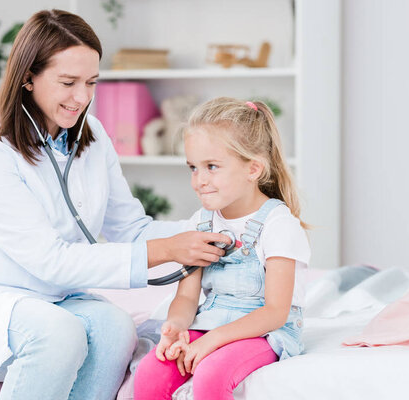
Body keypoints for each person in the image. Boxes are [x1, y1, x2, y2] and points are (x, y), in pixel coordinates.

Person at [0, 10, 231, 400]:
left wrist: (210, 229)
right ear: (28, 77)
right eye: (68, 82)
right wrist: (167, 250)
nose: (82, 97)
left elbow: (131, 228)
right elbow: (49, 260)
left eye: (91, 82)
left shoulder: (92, 135)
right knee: (58, 333)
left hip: (58, 298)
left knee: (117, 328)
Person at [133, 98, 311, 400]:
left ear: (253, 168)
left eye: (211, 167)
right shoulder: (200, 223)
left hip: (265, 332)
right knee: (151, 373)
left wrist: (211, 341)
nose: (199, 181)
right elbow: (187, 297)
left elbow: (275, 312)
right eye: (193, 167)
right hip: (211, 323)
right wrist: (176, 327)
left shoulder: (279, 225)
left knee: (211, 376)